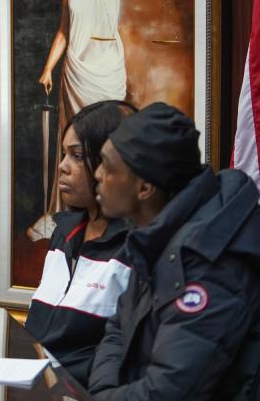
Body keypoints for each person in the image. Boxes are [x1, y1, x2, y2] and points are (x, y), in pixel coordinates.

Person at [88, 102, 260, 400]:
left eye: (107, 166)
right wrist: (103, 392)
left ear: (144, 189)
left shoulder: (212, 260)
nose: (97, 175)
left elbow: (171, 391)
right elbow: (117, 329)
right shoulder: (155, 235)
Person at [29, 0, 149, 242]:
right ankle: (73, 211)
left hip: (108, 69)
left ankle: (114, 206)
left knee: (110, 137)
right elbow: (64, 32)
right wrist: (47, 68)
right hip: (76, 72)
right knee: (76, 140)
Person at [25, 100, 136, 386]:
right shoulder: (63, 233)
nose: (62, 167)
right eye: (63, 154)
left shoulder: (134, 246)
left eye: (77, 155)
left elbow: (119, 358)